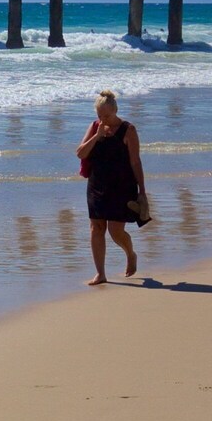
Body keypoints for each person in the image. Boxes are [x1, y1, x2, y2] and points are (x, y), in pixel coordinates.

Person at [76, 91, 146, 286]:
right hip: (97, 184)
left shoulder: (128, 130)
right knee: (96, 228)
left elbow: (135, 162)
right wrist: (96, 137)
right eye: (100, 115)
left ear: (115, 110)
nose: (103, 119)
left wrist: (142, 192)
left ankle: (130, 254)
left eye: (106, 115)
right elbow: (80, 153)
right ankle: (100, 273)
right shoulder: (94, 127)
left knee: (116, 231)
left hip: (122, 186)